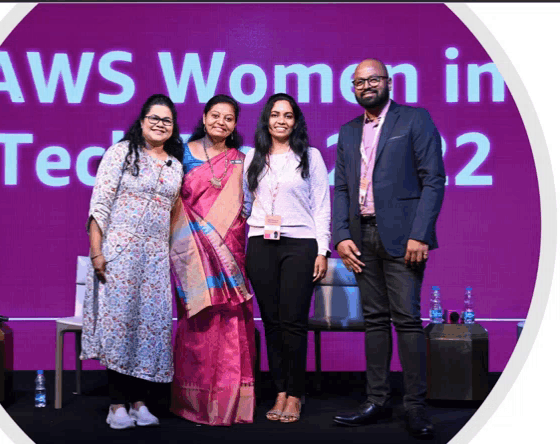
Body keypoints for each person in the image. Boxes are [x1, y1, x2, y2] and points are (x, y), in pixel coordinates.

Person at [331, 59, 445, 439]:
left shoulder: (415, 120)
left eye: (373, 79)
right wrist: (341, 236)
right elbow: (343, 189)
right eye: (359, 81)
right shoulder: (348, 132)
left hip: (403, 239)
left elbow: (433, 179)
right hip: (360, 238)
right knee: (375, 322)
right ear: (352, 88)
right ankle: (376, 401)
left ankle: (415, 407)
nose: (366, 85)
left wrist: (421, 233)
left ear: (389, 83)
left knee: (407, 321)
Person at [80, 94, 184, 430]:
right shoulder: (121, 152)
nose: (159, 124)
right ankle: (116, 405)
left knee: (150, 330)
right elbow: (100, 204)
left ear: (173, 127)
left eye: (166, 120)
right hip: (119, 254)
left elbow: (174, 217)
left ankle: (140, 403)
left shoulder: (175, 165)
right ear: (141, 121)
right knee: (120, 327)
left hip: (154, 258)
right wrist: (97, 252)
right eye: (154, 118)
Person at [169, 94, 256, 426]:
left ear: (235, 125)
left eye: (229, 118)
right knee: (198, 322)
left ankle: (232, 402)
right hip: (191, 255)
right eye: (216, 115)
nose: (221, 122)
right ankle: (194, 403)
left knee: (232, 322)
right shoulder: (181, 153)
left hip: (230, 251)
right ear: (204, 118)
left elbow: (247, 204)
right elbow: (173, 204)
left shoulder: (240, 160)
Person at [244, 93, 331, 424]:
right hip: (261, 244)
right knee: (272, 323)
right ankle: (279, 390)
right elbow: (245, 205)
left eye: (288, 115)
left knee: (293, 322)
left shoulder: (311, 156)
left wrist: (322, 250)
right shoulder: (253, 156)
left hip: (300, 244)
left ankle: (295, 394)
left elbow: (322, 205)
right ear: (267, 119)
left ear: (296, 121)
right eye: (275, 114)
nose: (281, 120)